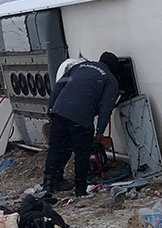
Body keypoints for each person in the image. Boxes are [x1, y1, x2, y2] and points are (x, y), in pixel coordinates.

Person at [43, 51, 121, 198]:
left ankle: (48, 185)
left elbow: (58, 87)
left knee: (56, 148)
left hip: (60, 111)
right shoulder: (110, 79)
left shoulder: (80, 67)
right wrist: (99, 132)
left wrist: (51, 109)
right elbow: (106, 108)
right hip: (81, 116)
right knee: (82, 153)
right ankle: (80, 190)